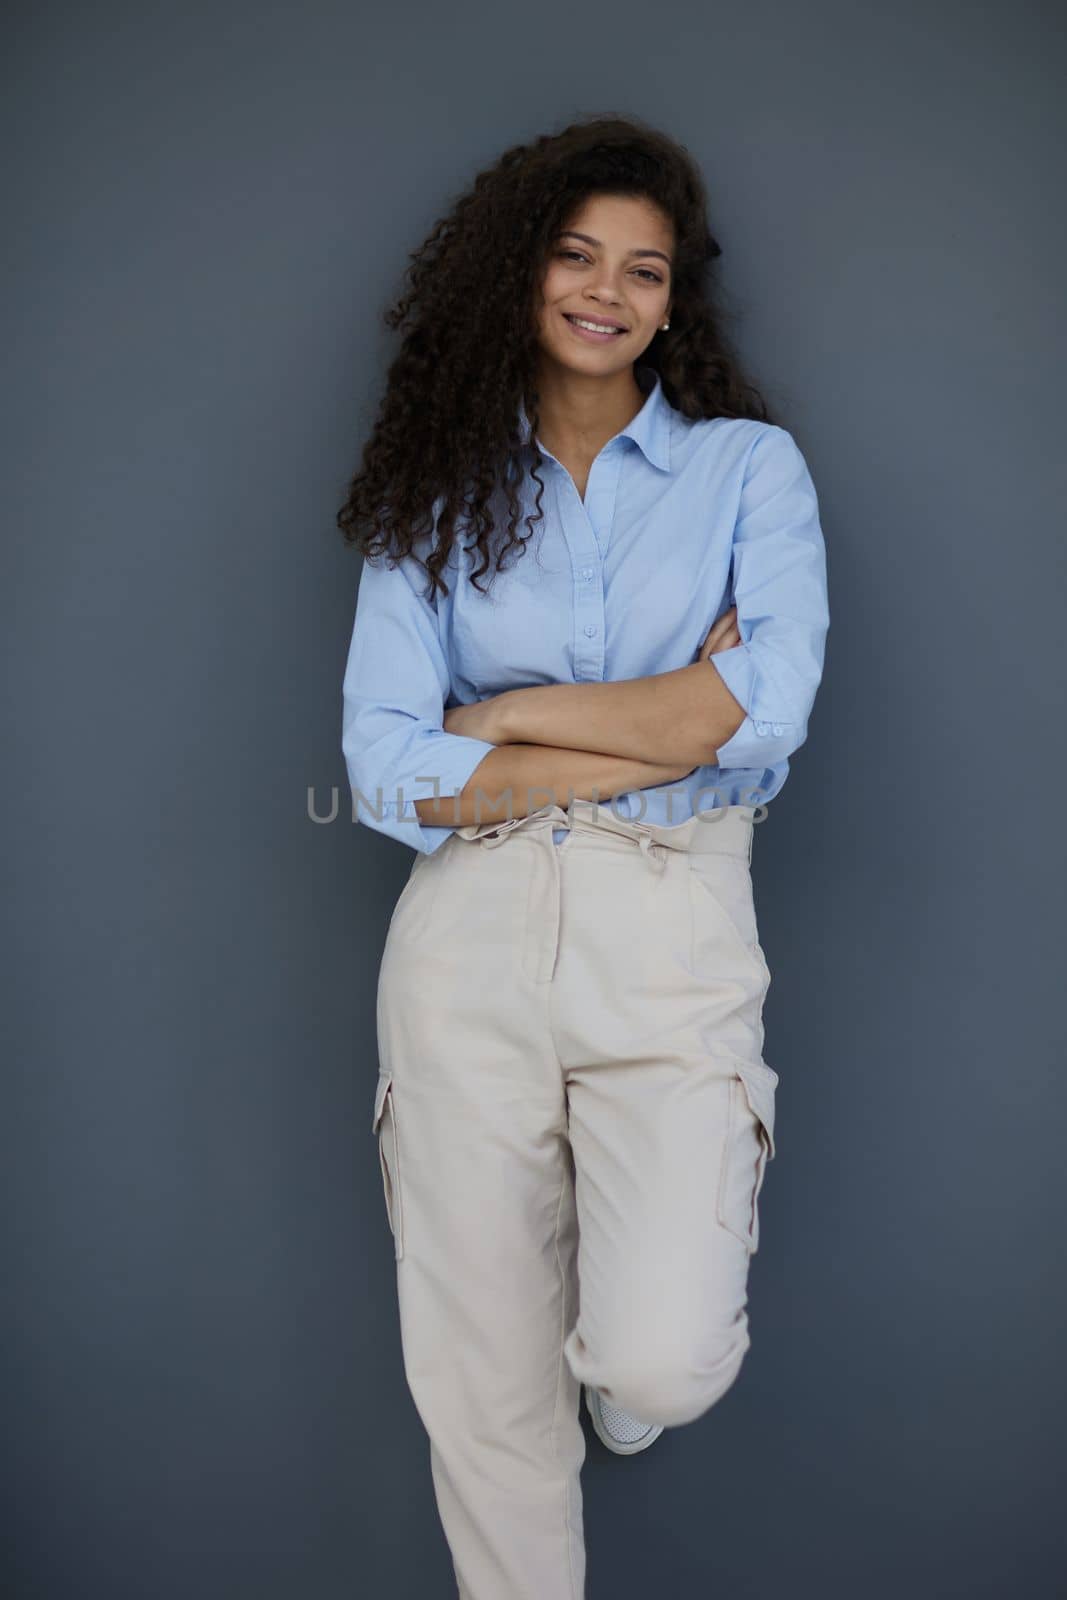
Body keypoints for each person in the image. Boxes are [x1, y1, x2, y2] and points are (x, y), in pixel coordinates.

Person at [338, 113, 829, 1600]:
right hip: (467, 942)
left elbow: (769, 713)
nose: (607, 291)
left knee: (661, 1355)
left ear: (677, 301)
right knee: (484, 1402)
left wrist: (513, 717)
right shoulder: (432, 490)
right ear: (521, 273)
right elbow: (383, 769)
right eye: (575, 256)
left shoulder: (750, 470)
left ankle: (613, 1391)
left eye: (645, 269)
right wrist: (665, 723)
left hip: (670, 926)